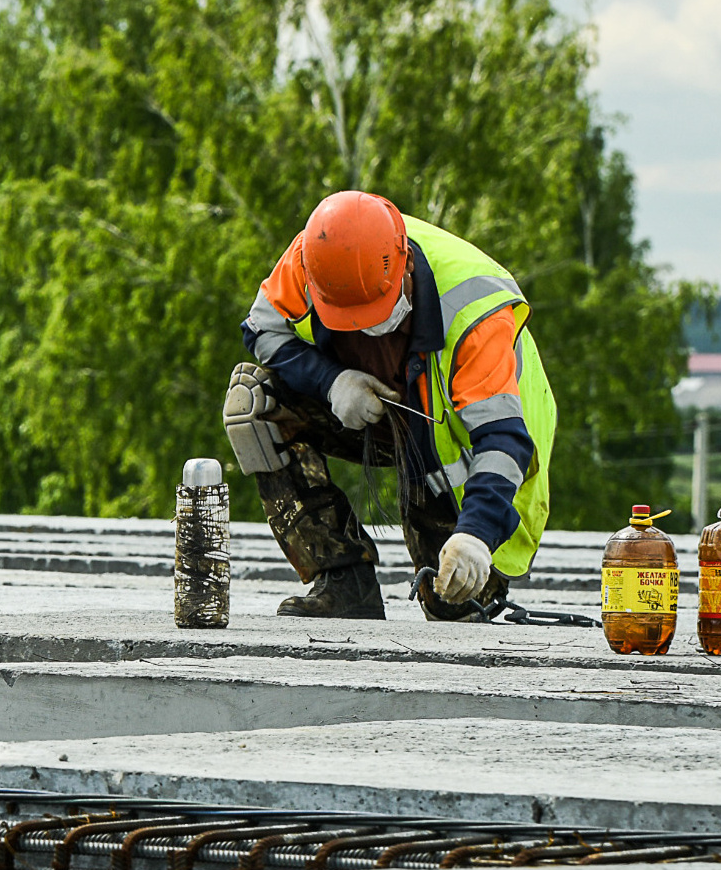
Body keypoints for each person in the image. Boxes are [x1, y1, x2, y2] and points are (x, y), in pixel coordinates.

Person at [221, 189, 555, 620]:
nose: (365, 330)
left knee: (452, 604)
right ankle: (343, 580)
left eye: (374, 314)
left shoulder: (475, 310)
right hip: (375, 410)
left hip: (465, 452)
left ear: (407, 267)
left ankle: (469, 570)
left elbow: (503, 442)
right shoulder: (316, 254)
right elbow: (263, 330)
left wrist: (476, 535)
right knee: (253, 403)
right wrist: (332, 381)